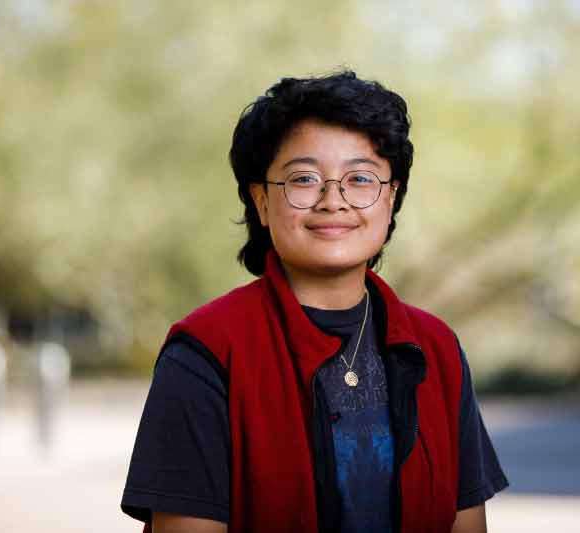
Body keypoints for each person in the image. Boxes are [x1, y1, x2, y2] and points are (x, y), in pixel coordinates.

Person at [121, 70, 508, 533]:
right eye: (304, 178)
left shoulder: (436, 347)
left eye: (360, 178)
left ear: (392, 198)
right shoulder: (205, 352)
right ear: (261, 201)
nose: (333, 200)